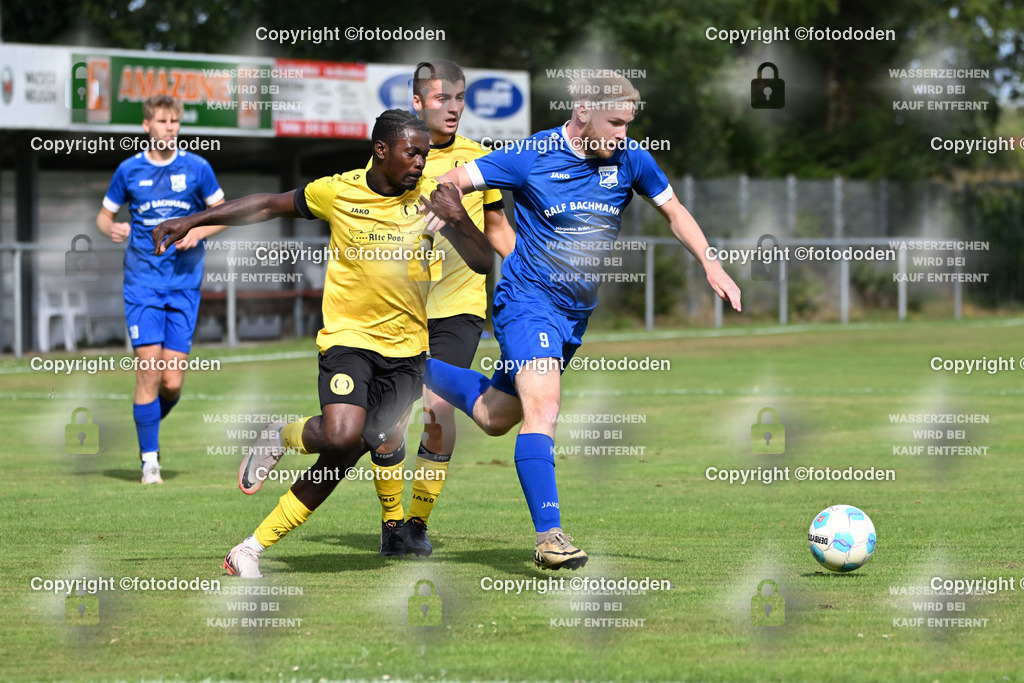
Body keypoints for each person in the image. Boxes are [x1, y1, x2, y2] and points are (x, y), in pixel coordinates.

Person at [152, 109, 492, 578]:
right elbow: (270, 205)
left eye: (426, 154)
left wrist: (460, 220)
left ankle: (248, 549)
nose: (421, 162)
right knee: (339, 433)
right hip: (348, 340)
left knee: (345, 454)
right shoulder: (339, 190)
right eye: (412, 153)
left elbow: (481, 263)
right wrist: (193, 219)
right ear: (381, 150)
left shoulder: (433, 200)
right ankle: (283, 437)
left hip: (409, 350)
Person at [421, 75, 743, 570]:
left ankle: (408, 367)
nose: (621, 133)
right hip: (527, 301)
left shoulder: (632, 159)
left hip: (574, 315)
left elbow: (674, 210)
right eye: (614, 122)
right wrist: (447, 208)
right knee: (544, 411)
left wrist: (710, 261)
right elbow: (457, 179)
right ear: (583, 109)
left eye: (628, 124)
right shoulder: (531, 154)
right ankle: (549, 536)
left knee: (494, 417)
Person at [368, 60, 517, 558]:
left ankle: (416, 523)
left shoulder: (482, 159)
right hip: (403, 306)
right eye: (441, 99)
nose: (453, 108)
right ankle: (390, 524)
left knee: (437, 410)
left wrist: (528, 271)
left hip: (460, 305)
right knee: (390, 417)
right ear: (417, 102)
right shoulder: (399, 157)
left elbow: (496, 226)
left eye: (459, 98)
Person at [95, 94, 226, 485]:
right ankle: (149, 460)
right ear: (147, 126)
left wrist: (198, 230)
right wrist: (112, 228)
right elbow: (104, 217)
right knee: (148, 372)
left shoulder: (197, 167)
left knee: (171, 382)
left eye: (174, 122)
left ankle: (146, 425)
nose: (169, 128)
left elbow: (222, 213)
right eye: (162, 121)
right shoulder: (128, 170)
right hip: (143, 284)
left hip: (184, 284)